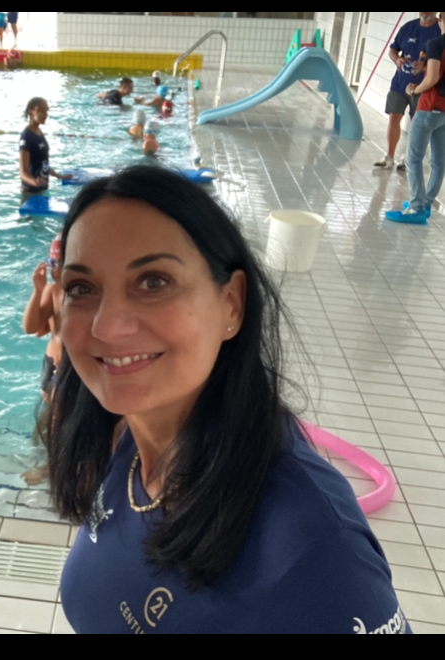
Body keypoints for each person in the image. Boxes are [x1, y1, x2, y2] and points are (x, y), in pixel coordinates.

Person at [46, 166, 411, 634]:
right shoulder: (129, 434)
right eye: (82, 288)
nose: (107, 326)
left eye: (154, 282)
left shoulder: (314, 550)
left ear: (232, 304)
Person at [386, 12, 445, 225]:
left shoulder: (436, 43)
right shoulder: (415, 31)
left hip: (429, 106)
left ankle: (416, 207)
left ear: (441, 19)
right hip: (444, 111)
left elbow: (432, 78)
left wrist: (414, 89)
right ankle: (426, 203)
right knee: (438, 161)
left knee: (413, 159)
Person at [374, 12, 440, 171]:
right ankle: (389, 156)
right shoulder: (408, 27)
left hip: (423, 87)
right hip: (400, 83)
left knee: (416, 123)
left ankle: (407, 158)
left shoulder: (439, 30)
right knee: (394, 117)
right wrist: (397, 59)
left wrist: (426, 66)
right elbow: (393, 49)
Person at [23, 235, 65, 403]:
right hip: (52, 360)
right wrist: (38, 290)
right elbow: (31, 328)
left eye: (60, 264)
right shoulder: (52, 291)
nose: (55, 270)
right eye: (52, 263)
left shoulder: (88, 297)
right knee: (49, 404)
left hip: (72, 365)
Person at [19, 97, 72, 193]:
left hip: (41, 189)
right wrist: (35, 182)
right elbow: (23, 173)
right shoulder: (26, 136)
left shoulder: (38, 132)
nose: (45, 114)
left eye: (46, 110)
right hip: (30, 192)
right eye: (41, 110)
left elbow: (43, 164)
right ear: (31, 112)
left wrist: (58, 176)